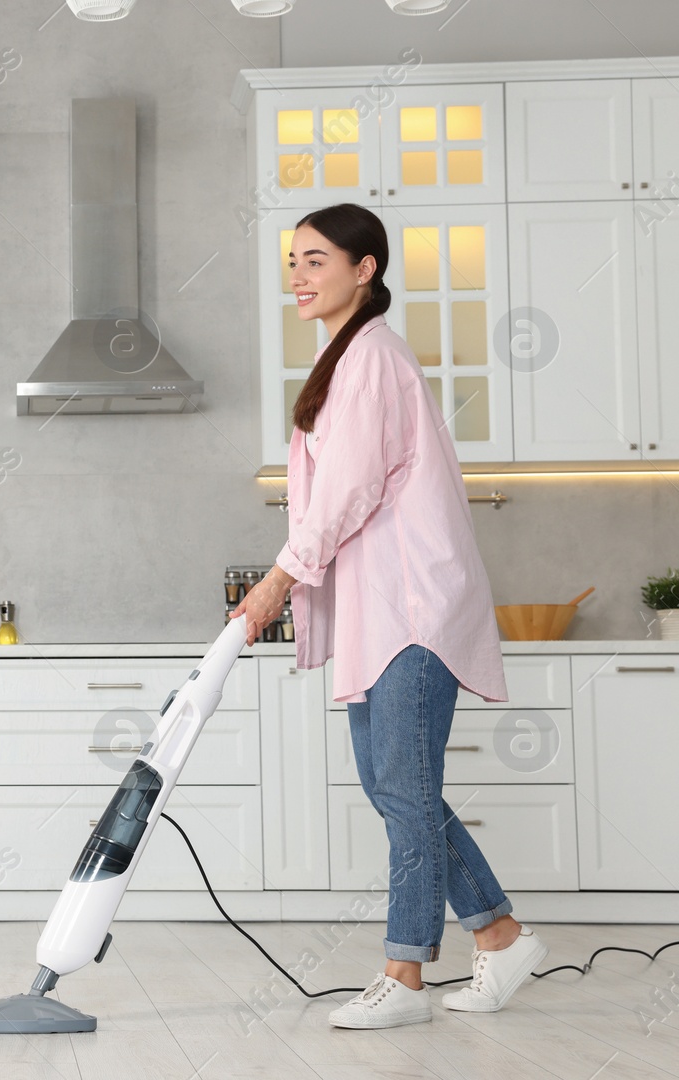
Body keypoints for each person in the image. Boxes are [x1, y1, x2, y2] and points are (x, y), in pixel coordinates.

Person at [229, 203, 548, 1030]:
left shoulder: (371, 356)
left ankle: (404, 976)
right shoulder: (347, 360)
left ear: (365, 268)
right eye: (292, 261)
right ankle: (502, 937)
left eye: (316, 260)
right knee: (393, 788)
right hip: (382, 613)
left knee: (405, 792)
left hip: (414, 607)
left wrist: (274, 584)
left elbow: (348, 492)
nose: (297, 275)